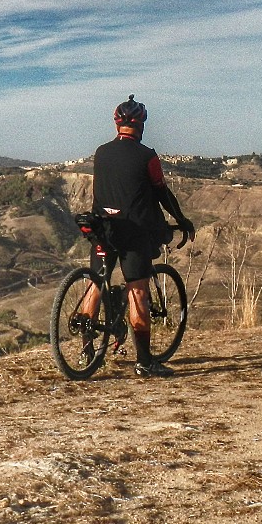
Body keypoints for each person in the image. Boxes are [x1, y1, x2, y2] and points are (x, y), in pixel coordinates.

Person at [84, 94, 195, 377]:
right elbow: (160, 191)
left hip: (101, 227)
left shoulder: (101, 152)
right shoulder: (147, 156)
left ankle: (86, 352)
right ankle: (145, 362)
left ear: (117, 124)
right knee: (139, 292)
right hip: (132, 234)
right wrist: (180, 219)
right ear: (142, 125)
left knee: (96, 284)